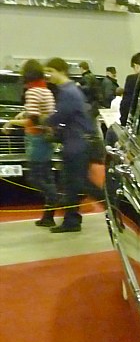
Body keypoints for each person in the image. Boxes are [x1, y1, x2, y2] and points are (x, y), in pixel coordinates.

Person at [2, 59, 58, 227]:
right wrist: (23, 113)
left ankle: (57, 197)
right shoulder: (45, 89)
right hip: (47, 138)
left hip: (36, 139)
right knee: (47, 177)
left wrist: (11, 122)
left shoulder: (32, 91)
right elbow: (40, 112)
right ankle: (48, 216)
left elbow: (33, 120)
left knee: (35, 177)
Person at [44, 57, 95, 233]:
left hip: (76, 144)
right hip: (75, 142)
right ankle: (72, 219)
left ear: (61, 71)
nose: (48, 75)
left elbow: (60, 115)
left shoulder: (68, 92)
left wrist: (42, 121)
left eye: (50, 71)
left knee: (74, 184)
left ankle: (72, 221)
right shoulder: (69, 90)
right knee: (74, 183)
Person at [120, 52, 140, 125]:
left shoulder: (132, 79)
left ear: (136, 66)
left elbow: (126, 103)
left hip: (135, 123)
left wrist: (123, 121)